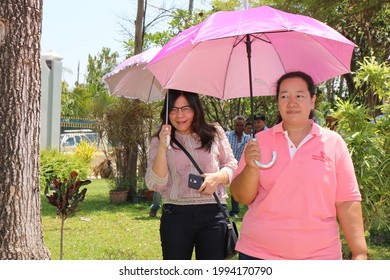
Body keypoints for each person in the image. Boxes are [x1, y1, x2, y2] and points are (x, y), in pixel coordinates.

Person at [230, 71, 367, 260]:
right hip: (258, 253)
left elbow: (347, 200)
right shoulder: (258, 142)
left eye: (299, 96)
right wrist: (251, 168)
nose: (291, 102)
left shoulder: (333, 142)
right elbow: (241, 196)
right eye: (284, 96)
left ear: (312, 101)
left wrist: (360, 252)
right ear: (277, 102)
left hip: (320, 256)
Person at [145, 89, 237, 260]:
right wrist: (163, 147)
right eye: (173, 109)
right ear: (166, 112)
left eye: (185, 108)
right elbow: (155, 184)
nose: (179, 115)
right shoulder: (159, 140)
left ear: (196, 109)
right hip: (176, 214)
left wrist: (217, 177)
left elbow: (232, 165)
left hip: (213, 212)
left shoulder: (214, 132)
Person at [225, 116, 251, 218]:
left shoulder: (248, 138)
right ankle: (229, 209)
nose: (240, 127)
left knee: (241, 187)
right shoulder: (227, 135)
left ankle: (240, 209)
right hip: (228, 165)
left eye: (242, 125)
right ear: (234, 125)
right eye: (237, 125)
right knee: (228, 187)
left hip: (242, 166)